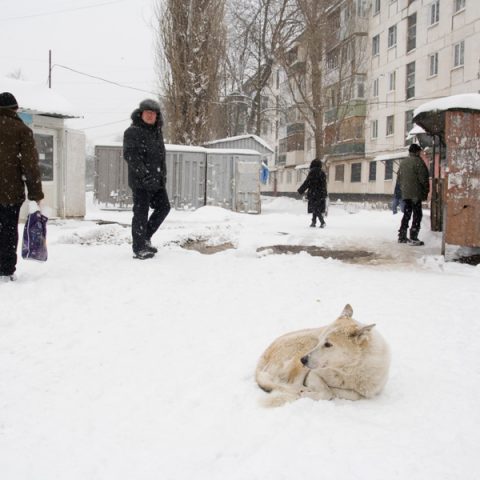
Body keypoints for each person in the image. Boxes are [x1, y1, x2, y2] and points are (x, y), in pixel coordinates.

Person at [0, 92, 44, 281]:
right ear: (15, 108)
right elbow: (30, 166)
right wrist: (36, 193)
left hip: (8, 190)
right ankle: (5, 270)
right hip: (9, 193)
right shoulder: (21, 130)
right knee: (8, 231)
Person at [123, 99, 170, 259]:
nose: (151, 116)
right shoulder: (132, 131)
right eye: (148, 113)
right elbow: (131, 156)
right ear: (141, 113)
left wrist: (162, 175)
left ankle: (146, 237)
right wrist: (144, 175)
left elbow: (161, 156)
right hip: (141, 182)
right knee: (141, 213)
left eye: (154, 113)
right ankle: (139, 247)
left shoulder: (157, 132)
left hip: (157, 180)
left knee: (164, 207)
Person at [396, 143, 430, 245]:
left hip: (406, 193)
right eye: (419, 151)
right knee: (417, 214)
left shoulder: (403, 162)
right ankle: (413, 237)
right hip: (416, 193)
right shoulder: (418, 162)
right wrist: (426, 191)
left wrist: (403, 190)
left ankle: (402, 236)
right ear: (416, 151)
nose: (420, 153)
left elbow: (399, 178)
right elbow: (423, 178)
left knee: (407, 213)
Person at [297, 158, 328, 228]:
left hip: (313, 193)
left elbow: (307, 182)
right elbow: (324, 184)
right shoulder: (322, 173)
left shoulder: (312, 172)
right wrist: (324, 193)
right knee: (316, 207)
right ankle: (313, 222)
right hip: (321, 193)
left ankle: (322, 222)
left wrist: (300, 190)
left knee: (315, 208)